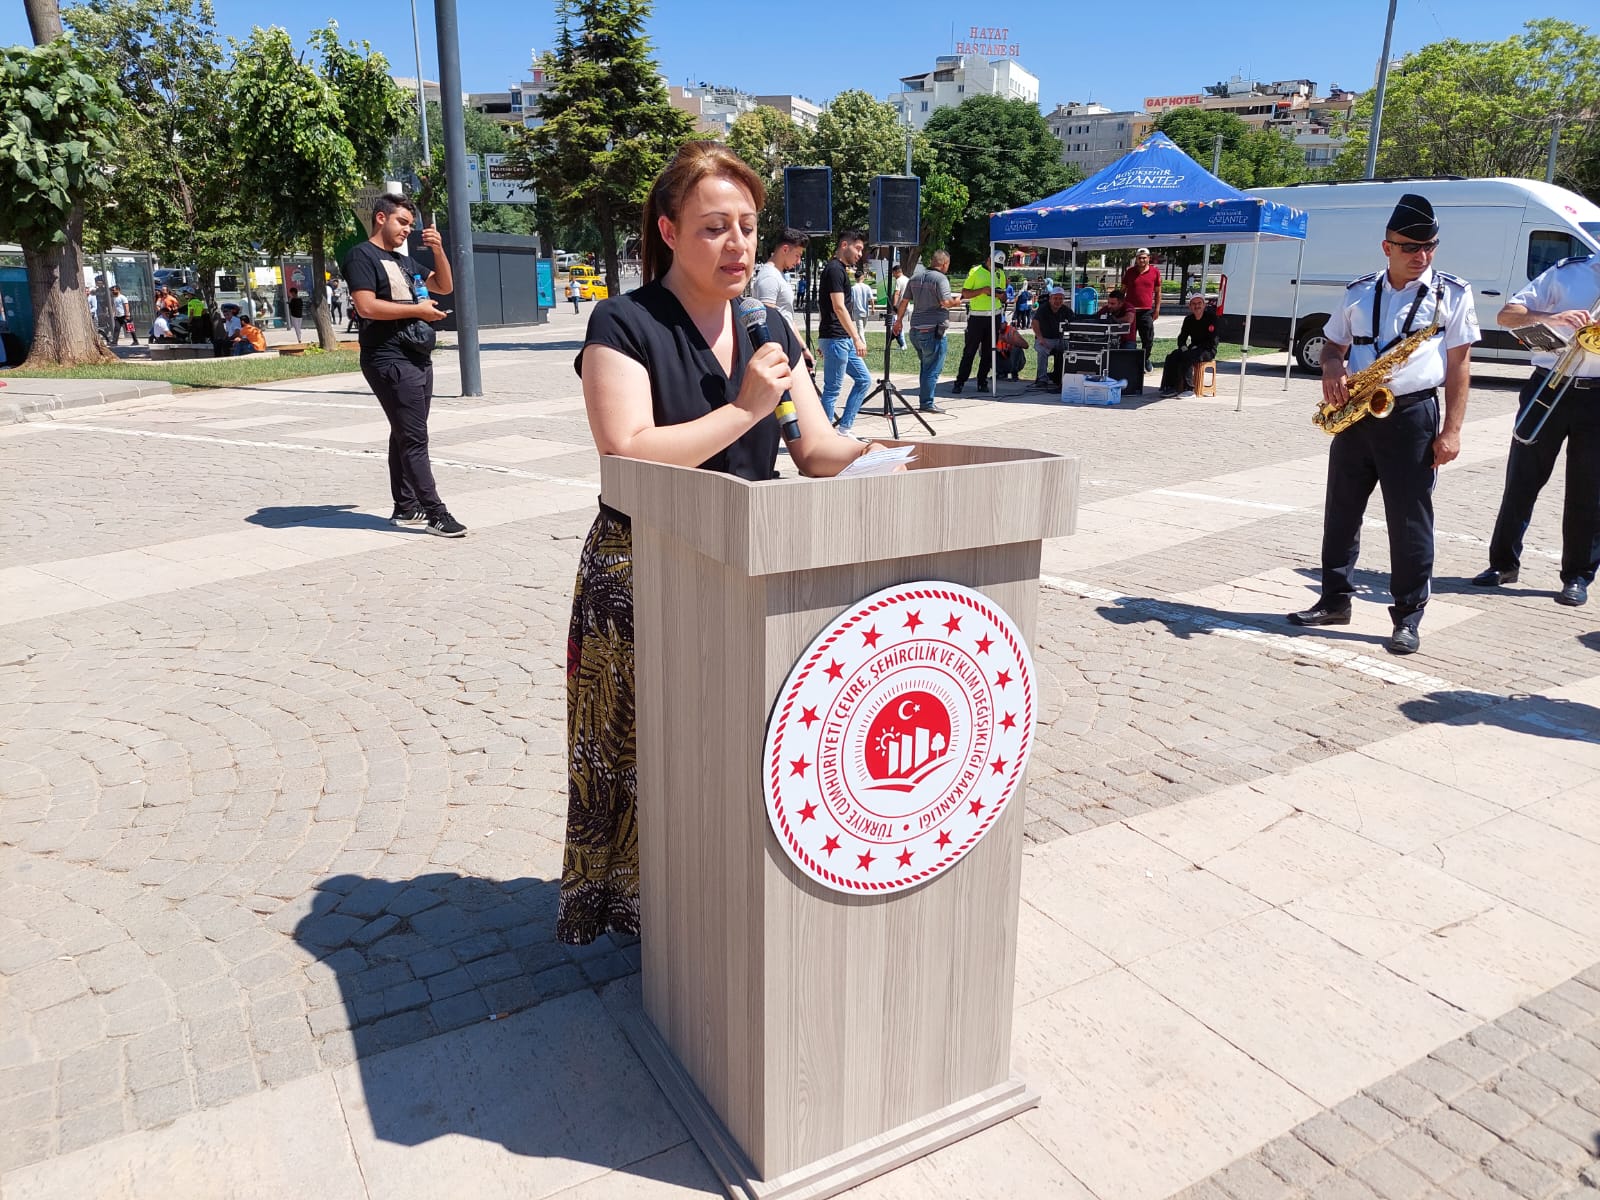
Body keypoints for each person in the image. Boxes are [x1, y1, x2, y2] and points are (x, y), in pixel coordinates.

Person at [559, 141, 887, 944]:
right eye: (713, 227)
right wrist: (743, 409)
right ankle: (640, 913)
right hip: (647, 566)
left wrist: (880, 452)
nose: (737, 244)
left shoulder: (767, 322)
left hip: (749, 560)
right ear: (669, 231)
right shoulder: (625, 321)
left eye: (745, 225)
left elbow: (811, 448)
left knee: (739, 749)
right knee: (642, 752)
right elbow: (626, 448)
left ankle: (720, 909)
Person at [1287, 193, 1479, 655]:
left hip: (1413, 415)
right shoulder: (1358, 291)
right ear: (1386, 247)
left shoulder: (1450, 294)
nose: (1421, 256)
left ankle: (1408, 616)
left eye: (1429, 246)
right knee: (1341, 511)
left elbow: (1460, 367)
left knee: (1410, 520)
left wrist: (1451, 431)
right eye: (1410, 247)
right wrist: (1332, 367)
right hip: (1359, 413)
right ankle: (1334, 600)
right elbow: (1333, 344)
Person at [1472, 253, 1600, 606]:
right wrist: (1552, 317)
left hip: (1598, 394)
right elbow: (1506, 315)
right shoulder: (1567, 272)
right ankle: (1502, 564)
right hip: (1549, 384)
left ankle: (1577, 576)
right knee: (1521, 480)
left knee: (1588, 490)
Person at [344, 193, 464, 538]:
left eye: (411, 225)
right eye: (402, 222)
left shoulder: (404, 262)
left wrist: (438, 250)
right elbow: (366, 307)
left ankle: (406, 506)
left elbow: (443, 285)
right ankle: (435, 513)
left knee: (405, 432)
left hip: (416, 355)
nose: (407, 230)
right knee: (414, 436)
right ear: (381, 218)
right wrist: (419, 311)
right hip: (387, 357)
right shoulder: (361, 256)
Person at [891, 249, 959, 414]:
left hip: (915, 330)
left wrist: (898, 321)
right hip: (933, 330)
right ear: (944, 264)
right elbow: (945, 301)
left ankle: (925, 400)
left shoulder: (915, 277)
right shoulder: (940, 279)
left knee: (926, 366)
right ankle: (927, 403)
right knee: (933, 368)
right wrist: (955, 302)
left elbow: (904, 301)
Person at [817, 229, 872, 434]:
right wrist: (857, 338)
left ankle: (844, 429)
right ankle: (824, 436)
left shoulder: (838, 270)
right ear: (844, 245)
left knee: (864, 380)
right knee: (832, 390)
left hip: (839, 339)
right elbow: (838, 307)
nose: (859, 254)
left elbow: (828, 307)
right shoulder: (834, 270)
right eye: (857, 248)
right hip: (837, 339)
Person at [750, 227, 814, 370]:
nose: (798, 262)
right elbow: (767, 320)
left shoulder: (777, 275)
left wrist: (802, 348)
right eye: (797, 255)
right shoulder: (769, 277)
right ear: (785, 249)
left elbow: (787, 318)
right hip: (778, 351)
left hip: (786, 347)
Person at [952, 251, 1006, 395]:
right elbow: (965, 293)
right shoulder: (975, 271)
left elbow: (1005, 297)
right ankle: (960, 382)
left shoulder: (1000, 273)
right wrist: (983, 291)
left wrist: (1000, 295)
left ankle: (982, 381)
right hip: (977, 317)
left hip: (994, 316)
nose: (997, 268)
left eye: (999, 266)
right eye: (995, 264)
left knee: (988, 352)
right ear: (988, 259)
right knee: (970, 351)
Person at [1158, 294, 1219, 397]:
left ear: (1204, 305)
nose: (1197, 306)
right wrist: (1183, 347)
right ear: (1190, 307)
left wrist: (1198, 347)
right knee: (1173, 356)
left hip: (1207, 350)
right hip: (1192, 348)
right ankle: (1170, 387)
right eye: (1194, 304)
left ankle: (1189, 389)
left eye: (1199, 303)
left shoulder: (1212, 318)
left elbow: (1213, 340)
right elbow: (1182, 337)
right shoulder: (1188, 319)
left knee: (1189, 356)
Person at [1121, 247, 1161, 371]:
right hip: (1130, 311)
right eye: (1139, 258)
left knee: (1148, 338)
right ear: (1136, 259)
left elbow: (1158, 292)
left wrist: (1157, 309)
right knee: (1127, 339)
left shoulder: (1155, 272)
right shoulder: (1130, 272)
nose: (1142, 260)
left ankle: (1145, 360)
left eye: (1144, 258)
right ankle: (1129, 362)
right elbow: (1123, 290)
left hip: (1146, 311)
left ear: (1148, 258)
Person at [1031, 286, 1071, 390]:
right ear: (1050, 298)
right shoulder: (1043, 308)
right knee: (1042, 351)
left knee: (1069, 350)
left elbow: (1074, 322)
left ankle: (1064, 377)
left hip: (1060, 339)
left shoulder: (1066, 310)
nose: (1058, 301)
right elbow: (1035, 323)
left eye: (1060, 298)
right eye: (1055, 298)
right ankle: (1042, 379)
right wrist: (1040, 339)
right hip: (1044, 338)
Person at [849, 265, 875, 331]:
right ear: (863, 277)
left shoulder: (853, 288)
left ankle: (859, 341)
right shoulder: (867, 287)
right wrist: (872, 309)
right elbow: (872, 299)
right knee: (861, 330)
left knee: (861, 330)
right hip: (865, 311)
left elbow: (851, 301)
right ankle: (863, 342)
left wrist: (850, 311)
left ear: (855, 278)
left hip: (857, 311)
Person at [890, 263, 908, 348]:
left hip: (899, 307)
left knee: (896, 325)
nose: (893, 275)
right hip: (906, 306)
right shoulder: (907, 280)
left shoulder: (899, 280)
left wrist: (894, 306)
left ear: (897, 272)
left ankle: (902, 344)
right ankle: (901, 343)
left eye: (893, 273)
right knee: (899, 324)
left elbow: (897, 293)